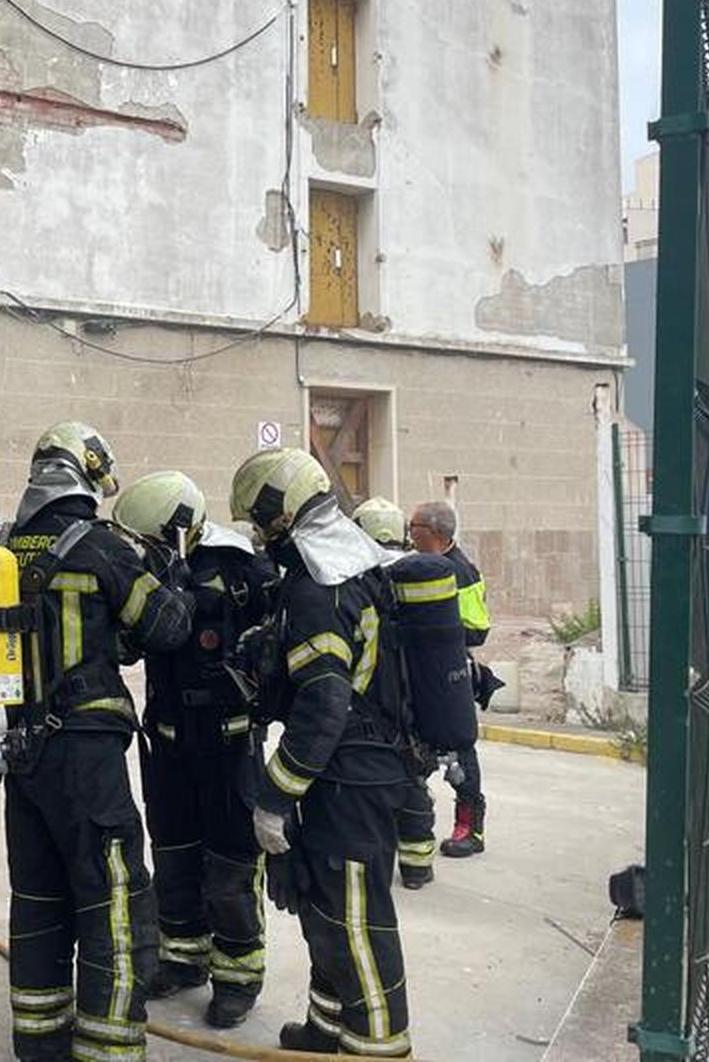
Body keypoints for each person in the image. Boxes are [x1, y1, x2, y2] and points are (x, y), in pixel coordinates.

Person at [0, 422, 195, 1062]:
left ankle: (39, 1041)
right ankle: (109, 1048)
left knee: (37, 896)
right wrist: (174, 567)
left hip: (20, 749)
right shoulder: (100, 547)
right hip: (84, 748)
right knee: (113, 895)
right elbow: (165, 627)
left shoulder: (6, 545)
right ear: (86, 473)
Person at [231, 449, 414, 1059]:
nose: (260, 538)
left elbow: (324, 704)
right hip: (354, 772)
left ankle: (381, 1048)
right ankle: (326, 1028)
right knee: (328, 911)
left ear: (281, 516)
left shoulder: (319, 588)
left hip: (350, 781)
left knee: (357, 925)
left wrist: (275, 796)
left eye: (262, 524)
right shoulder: (348, 566)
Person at [111, 471, 279, 1029]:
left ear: (177, 528)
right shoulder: (153, 574)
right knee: (175, 853)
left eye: (151, 540)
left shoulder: (242, 569)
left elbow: (275, 639)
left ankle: (238, 977)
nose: (145, 550)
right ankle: (183, 958)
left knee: (231, 865)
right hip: (168, 743)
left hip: (229, 743)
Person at [353, 497, 473, 890]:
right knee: (413, 786)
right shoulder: (417, 575)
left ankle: (375, 866)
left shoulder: (366, 579)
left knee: (378, 788)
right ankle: (418, 867)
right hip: (419, 703)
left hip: (380, 704)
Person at [408, 500, 495, 859]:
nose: (410, 535)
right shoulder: (414, 565)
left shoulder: (462, 571)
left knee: (458, 747)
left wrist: (437, 631)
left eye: (416, 530)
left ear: (437, 534)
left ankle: (470, 828)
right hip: (417, 671)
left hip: (448, 676)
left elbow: (477, 630)